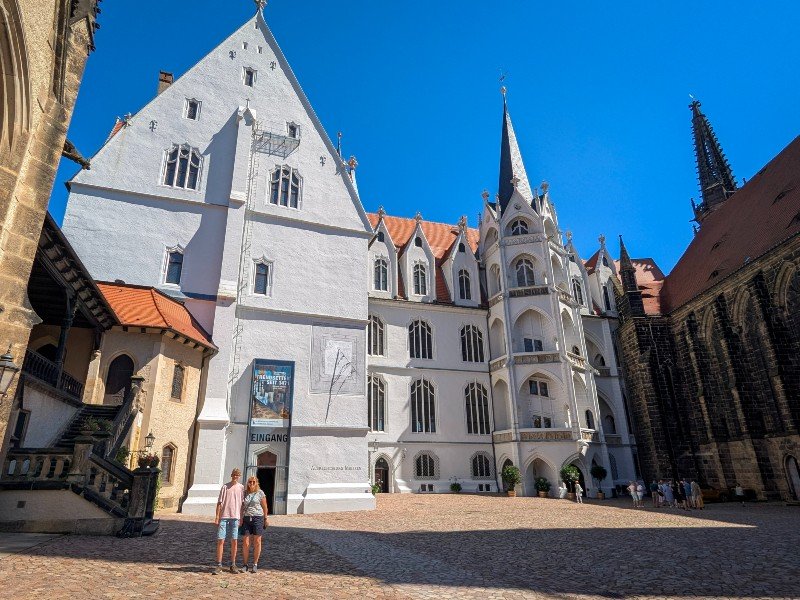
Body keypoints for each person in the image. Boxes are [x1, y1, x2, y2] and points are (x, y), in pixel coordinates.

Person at [214, 468, 245, 575]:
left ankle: (233, 564)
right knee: (220, 540)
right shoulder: (225, 487)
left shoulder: (241, 488)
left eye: (238, 475)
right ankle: (218, 565)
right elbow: (219, 502)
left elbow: (242, 504)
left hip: (235, 518)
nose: (236, 476)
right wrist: (217, 517)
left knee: (234, 541)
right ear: (231, 475)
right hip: (224, 517)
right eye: (234, 475)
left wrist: (241, 517)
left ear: (239, 476)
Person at [240, 476, 269, 573]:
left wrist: (265, 518)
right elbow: (241, 507)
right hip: (246, 518)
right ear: (247, 483)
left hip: (258, 518)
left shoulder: (260, 493)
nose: (251, 483)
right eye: (250, 482)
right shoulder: (244, 493)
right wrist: (240, 518)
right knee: (246, 542)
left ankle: (255, 564)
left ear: (256, 483)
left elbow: (265, 507)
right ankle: (245, 564)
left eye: (253, 482)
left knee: (257, 541)